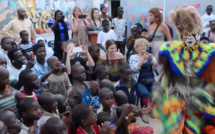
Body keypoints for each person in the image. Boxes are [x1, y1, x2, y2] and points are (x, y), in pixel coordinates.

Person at [154, 6, 215, 133]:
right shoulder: (171, 51)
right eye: (186, 37)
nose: (190, 40)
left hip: (200, 102)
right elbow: (166, 77)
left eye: (193, 37)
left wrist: (203, 96)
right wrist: (162, 92)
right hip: (177, 100)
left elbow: (212, 81)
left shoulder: (208, 52)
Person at [129, 38, 157, 123]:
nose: (144, 47)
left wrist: (152, 60)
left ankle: (151, 109)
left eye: (145, 46)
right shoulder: (133, 57)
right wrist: (142, 60)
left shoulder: (150, 56)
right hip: (140, 81)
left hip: (151, 79)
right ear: (137, 48)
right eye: (141, 46)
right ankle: (143, 112)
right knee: (145, 93)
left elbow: (156, 67)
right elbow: (134, 69)